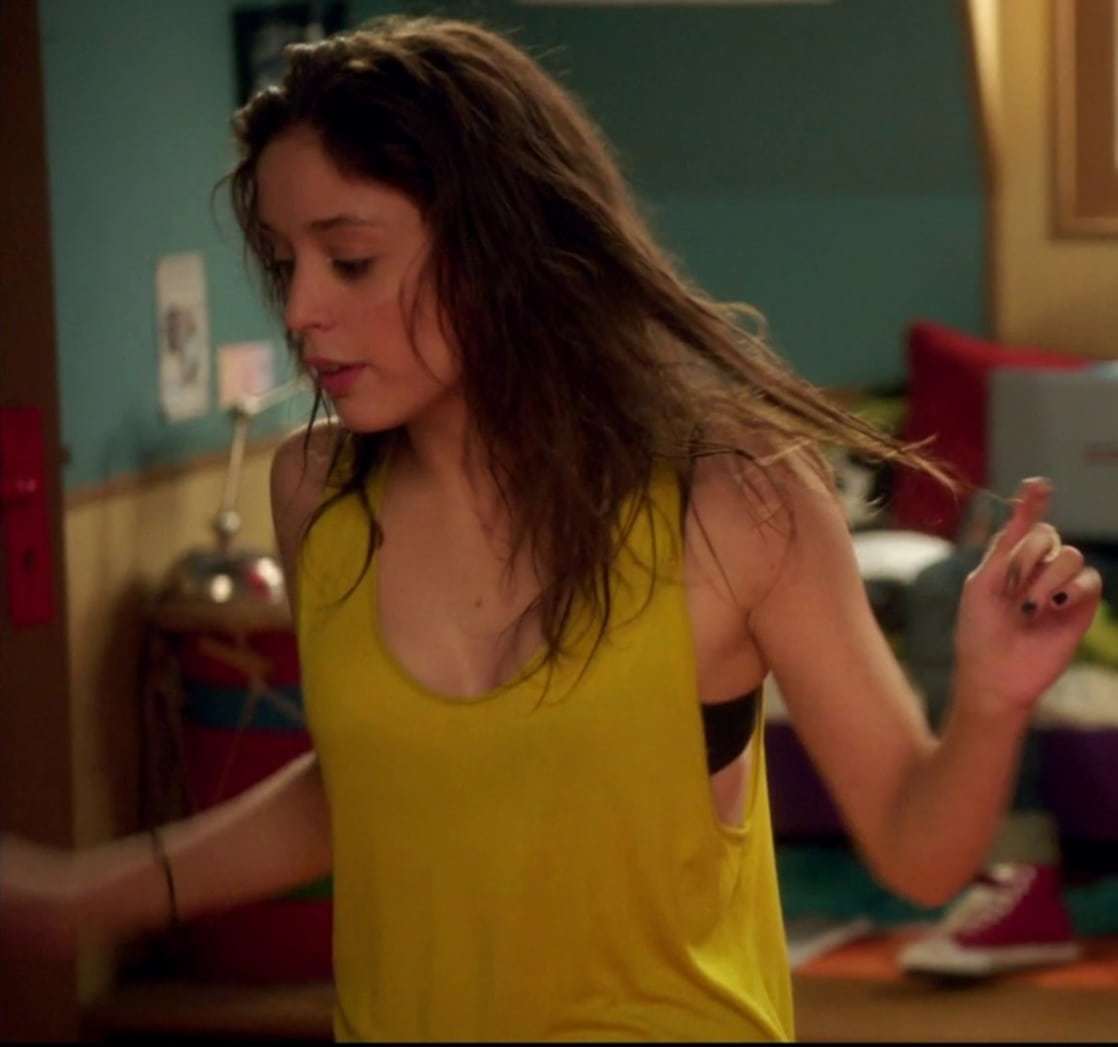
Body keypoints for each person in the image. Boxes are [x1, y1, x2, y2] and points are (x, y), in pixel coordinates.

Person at [0, 15, 1103, 1042]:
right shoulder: (315, 493)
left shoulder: (732, 499)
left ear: (497, 246)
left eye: (351, 259)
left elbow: (917, 851)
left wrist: (990, 700)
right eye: (287, 265)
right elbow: (381, 783)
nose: (298, 311)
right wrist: (72, 900)